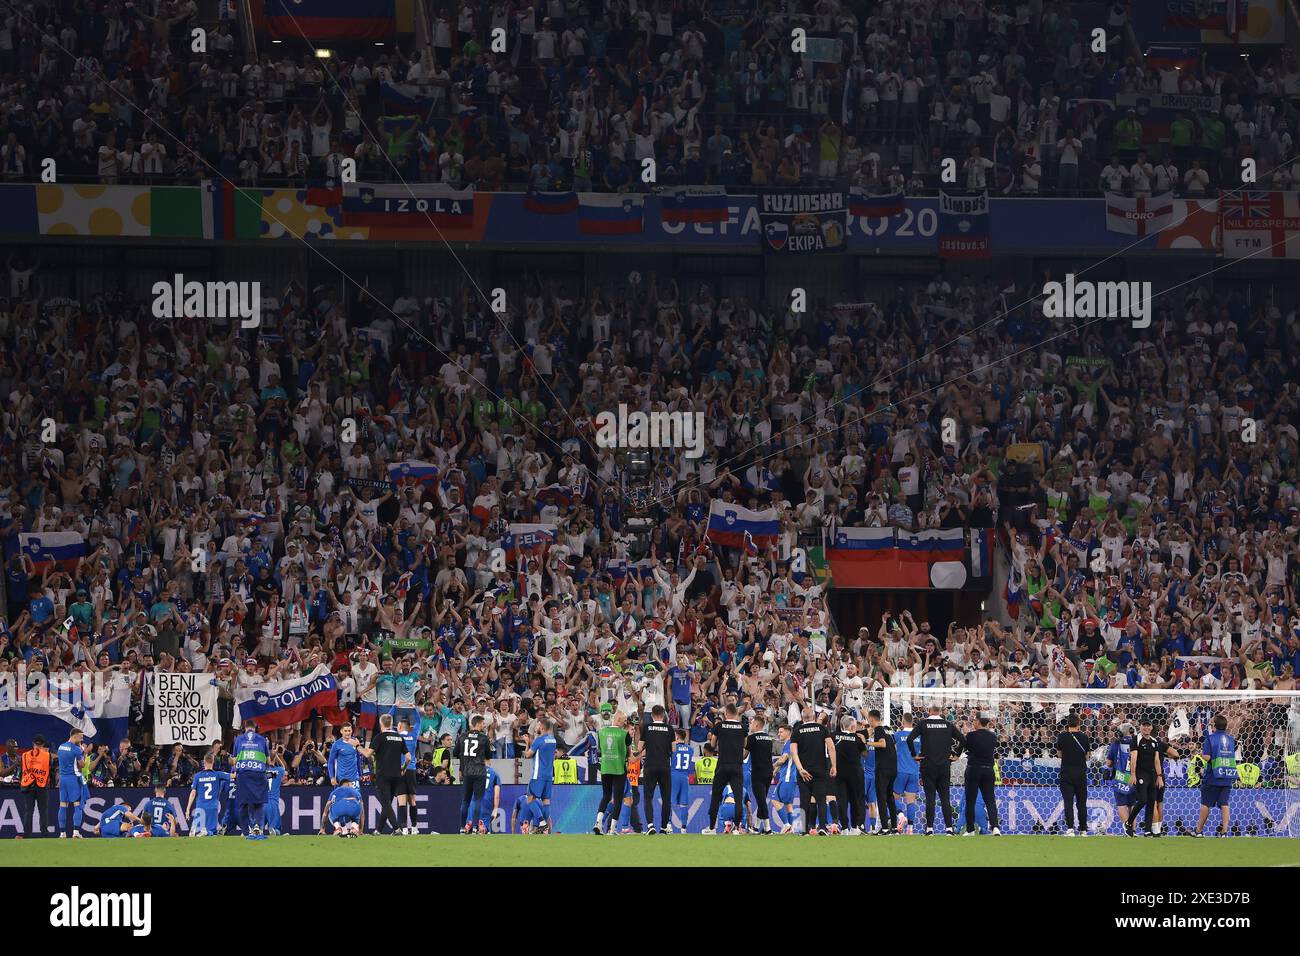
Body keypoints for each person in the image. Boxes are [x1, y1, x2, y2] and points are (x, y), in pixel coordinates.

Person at [908, 705, 963, 835]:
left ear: (929, 711)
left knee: (930, 798)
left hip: (928, 765)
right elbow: (963, 739)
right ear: (940, 712)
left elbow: (910, 739)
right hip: (944, 766)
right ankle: (949, 829)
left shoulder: (923, 724)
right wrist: (956, 755)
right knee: (945, 798)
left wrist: (914, 755)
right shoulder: (947, 724)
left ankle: (929, 829)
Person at [703, 703, 748, 834]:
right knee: (738, 797)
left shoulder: (719, 726)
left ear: (726, 713)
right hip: (737, 765)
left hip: (722, 765)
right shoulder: (742, 727)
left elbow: (712, 744)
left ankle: (711, 828)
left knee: (716, 797)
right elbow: (745, 745)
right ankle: (737, 827)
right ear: (736, 713)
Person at [791, 705, 836, 836]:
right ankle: (822, 827)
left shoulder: (797, 731)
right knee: (821, 799)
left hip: (804, 771)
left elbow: (794, 752)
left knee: (804, 801)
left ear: (801, 718)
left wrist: (800, 769)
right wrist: (833, 766)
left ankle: (804, 830)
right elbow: (831, 747)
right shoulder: (822, 728)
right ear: (814, 717)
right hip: (820, 769)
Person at [1196, 714, 1238, 837]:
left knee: (1206, 803)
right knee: (1224, 803)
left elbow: (1207, 756)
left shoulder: (1210, 738)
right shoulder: (1231, 739)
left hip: (1213, 775)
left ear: (1214, 726)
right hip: (1227, 774)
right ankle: (1224, 832)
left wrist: (1204, 755)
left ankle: (1199, 831)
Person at [593, 707, 632, 834]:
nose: (625, 723)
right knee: (618, 799)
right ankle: (612, 829)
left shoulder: (601, 732)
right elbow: (628, 752)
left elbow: (600, 748)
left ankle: (598, 823)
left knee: (606, 796)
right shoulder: (624, 734)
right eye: (624, 720)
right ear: (618, 720)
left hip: (605, 768)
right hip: (619, 769)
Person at [232, 721, 272, 840]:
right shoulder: (262, 739)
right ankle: (258, 828)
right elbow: (268, 761)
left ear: (245, 728)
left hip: (243, 775)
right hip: (259, 775)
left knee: (243, 804)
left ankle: (245, 831)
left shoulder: (238, 740)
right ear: (255, 728)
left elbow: (234, 761)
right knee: (258, 803)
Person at [962, 715, 1001, 835]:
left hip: (974, 769)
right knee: (990, 800)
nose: (973, 722)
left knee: (970, 800)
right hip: (989, 770)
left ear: (978, 722)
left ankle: (970, 830)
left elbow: (965, 749)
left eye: (974, 720)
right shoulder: (993, 736)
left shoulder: (971, 736)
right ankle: (995, 827)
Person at [369, 712, 407, 834]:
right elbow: (409, 757)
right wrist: (403, 768)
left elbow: (367, 754)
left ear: (381, 724)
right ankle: (378, 830)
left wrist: (358, 745)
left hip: (383, 774)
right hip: (396, 775)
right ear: (391, 724)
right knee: (388, 803)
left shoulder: (379, 737)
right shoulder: (399, 737)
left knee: (385, 803)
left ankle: (396, 828)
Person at [640, 704, 674, 834]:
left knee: (648, 797)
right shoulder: (669, 728)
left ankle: (650, 825)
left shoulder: (647, 728)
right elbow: (673, 749)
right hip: (665, 766)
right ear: (664, 715)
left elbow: (640, 746)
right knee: (666, 798)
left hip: (650, 766)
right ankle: (664, 827)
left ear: (652, 715)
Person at [1055, 713, 1091, 836]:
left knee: (1068, 802)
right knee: (1081, 803)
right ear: (1078, 724)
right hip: (1080, 773)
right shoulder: (1084, 737)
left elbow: (1059, 755)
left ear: (1067, 724)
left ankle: (1070, 828)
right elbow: (1087, 756)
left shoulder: (1062, 737)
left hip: (1066, 774)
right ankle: (1083, 829)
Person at [832, 716, 867, 834]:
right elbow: (865, 753)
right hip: (855, 773)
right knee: (854, 800)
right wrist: (863, 741)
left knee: (842, 800)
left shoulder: (834, 736)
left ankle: (844, 828)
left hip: (839, 772)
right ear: (852, 727)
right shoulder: (857, 738)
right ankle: (854, 827)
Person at [459, 715, 492, 834]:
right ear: (478, 724)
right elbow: (488, 756)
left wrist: (461, 768)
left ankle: (462, 828)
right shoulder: (483, 738)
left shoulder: (463, 736)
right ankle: (474, 828)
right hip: (479, 771)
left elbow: (457, 752)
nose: (484, 726)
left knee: (465, 800)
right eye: (483, 724)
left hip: (467, 771)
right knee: (478, 800)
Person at [523, 717, 558, 833]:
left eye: (538, 725)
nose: (536, 727)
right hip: (549, 775)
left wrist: (527, 743)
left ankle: (542, 822)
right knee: (546, 801)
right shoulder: (553, 740)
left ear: (542, 727)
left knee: (530, 799)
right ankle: (544, 829)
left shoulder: (539, 740)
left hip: (538, 775)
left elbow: (528, 755)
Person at [866, 710, 898, 833]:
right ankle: (894, 827)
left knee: (881, 798)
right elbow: (894, 746)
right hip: (893, 767)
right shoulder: (889, 729)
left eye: (869, 720)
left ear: (872, 720)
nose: (869, 722)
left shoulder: (879, 729)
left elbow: (882, 744)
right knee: (890, 797)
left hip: (883, 768)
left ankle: (884, 828)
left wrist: (867, 742)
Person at [744, 710, 775, 834]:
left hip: (757, 773)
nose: (751, 725)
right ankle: (756, 827)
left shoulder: (752, 738)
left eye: (752, 723)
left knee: (761, 801)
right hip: (768, 772)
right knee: (762, 799)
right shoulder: (769, 738)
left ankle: (768, 828)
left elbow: (744, 755)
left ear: (756, 725)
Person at [1132, 718, 1164, 836]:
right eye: (1144, 725)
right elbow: (1133, 758)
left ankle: (1147, 830)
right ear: (1140, 727)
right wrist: (1133, 774)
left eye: (1148, 725)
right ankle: (1129, 823)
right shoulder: (1136, 740)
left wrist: (1159, 776)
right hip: (1141, 774)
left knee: (1151, 802)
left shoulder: (1154, 741)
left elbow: (1157, 761)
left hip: (1152, 775)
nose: (1146, 728)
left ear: (1151, 727)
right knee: (1143, 800)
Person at [1106, 722, 1139, 837]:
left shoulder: (1116, 744)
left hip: (1120, 778)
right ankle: (1133, 830)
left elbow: (1109, 763)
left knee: (1121, 804)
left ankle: (1126, 830)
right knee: (1132, 805)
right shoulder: (1137, 743)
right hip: (1133, 778)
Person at [187, 754, 231, 836]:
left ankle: (198, 830)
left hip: (200, 806)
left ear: (204, 762)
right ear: (213, 761)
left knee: (195, 831)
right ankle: (207, 832)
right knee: (212, 831)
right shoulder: (218, 774)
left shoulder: (197, 776)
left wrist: (188, 809)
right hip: (212, 806)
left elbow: (193, 793)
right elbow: (233, 776)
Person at [19, 734, 52, 838]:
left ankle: (27, 834)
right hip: (41, 785)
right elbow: (50, 767)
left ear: (33, 744)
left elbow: (22, 769)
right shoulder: (47, 755)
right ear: (42, 744)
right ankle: (45, 834)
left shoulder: (24, 755)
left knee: (29, 810)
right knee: (43, 810)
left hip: (28, 784)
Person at [892, 713, 921, 832]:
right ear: (913, 722)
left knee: (893, 797)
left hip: (900, 770)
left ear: (902, 722)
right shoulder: (919, 737)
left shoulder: (897, 735)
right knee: (911, 801)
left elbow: (892, 751)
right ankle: (910, 828)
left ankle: (900, 816)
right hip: (914, 771)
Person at [56, 729, 85, 839]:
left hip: (62, 780)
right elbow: (81, 765)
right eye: (81, 737)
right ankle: (76, 832)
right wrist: (84, 752)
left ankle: (62, 833)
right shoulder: (76, 749)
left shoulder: (61, 747)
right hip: (73, 778)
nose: (82, 739)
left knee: (63, 805)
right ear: (75, 736)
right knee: (78, 806)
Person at [669, 728, 694, 833]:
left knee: (669, 802)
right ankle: (683, 828)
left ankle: (668, 825)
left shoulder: (673, 748)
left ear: (677, 736)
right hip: (685, 777)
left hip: (674, 775)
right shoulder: (690, 749)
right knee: (684, 803)